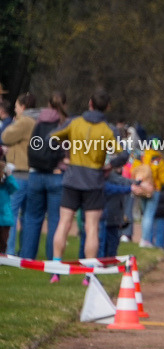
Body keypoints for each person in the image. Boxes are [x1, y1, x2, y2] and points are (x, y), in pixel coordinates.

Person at [50, 89, 127, 261]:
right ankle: (89, 272)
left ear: (90, 104)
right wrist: (110, 165)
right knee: (92, 227)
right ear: (107, 107)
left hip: (72, 178)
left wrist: (62, 158)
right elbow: (124, 154)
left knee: (64, 224)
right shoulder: (109, 130)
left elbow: (51, 138)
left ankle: (55, 268)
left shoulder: (74, 123)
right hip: (94, 181)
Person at [21, 91, 67, 261]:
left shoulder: (38, 121)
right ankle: (52, 258)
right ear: (65, 105)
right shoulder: (64, 124)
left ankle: (26, 258)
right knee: (55, 220)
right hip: (56, 175)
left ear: (48, 105)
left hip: (35, 173)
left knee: (32, 218)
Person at [1, 92, 39, 254]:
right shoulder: (38, 121)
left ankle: (8, 251)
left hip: (20, 171)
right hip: (33, 172)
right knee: (30, 216)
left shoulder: (24, 122)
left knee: (12, 213)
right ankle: (27, 253)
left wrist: (14, 123)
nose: (15, 110)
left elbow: (6, 136)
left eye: (17, 107)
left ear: (23, 107)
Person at [136, 143, 164, 249]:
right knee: (149, 215)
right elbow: (163, 179)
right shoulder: (158, 159)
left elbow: (134, 171)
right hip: (154, 189)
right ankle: (145, 240)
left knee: (144, 215)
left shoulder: (141, 156)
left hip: (141, 189)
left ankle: (144, 239)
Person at [0, 149, 18, 252]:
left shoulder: (4, 173)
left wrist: (9, 176)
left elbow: (14, 188)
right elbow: (14, 188)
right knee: (3, 242)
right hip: (4, 214)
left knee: (3, 242)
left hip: (4, 215)